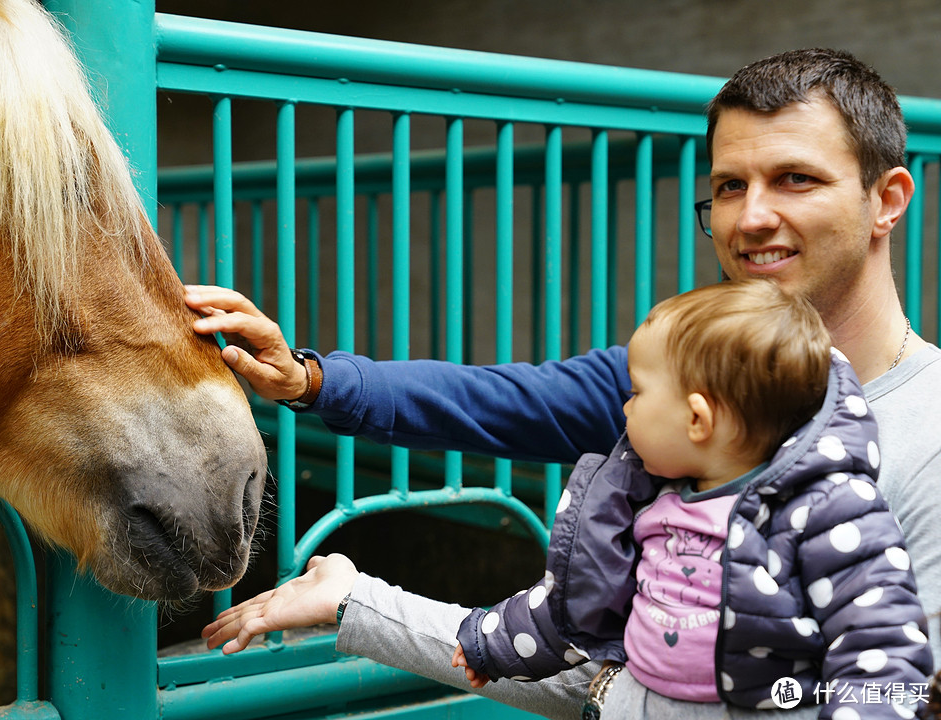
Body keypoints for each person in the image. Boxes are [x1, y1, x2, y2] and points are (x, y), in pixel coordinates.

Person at [193, 48, 941, 719]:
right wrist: (307, 380)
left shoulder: (928, 435)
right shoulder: (679, 389)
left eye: (795, 180)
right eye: (729, 186)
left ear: (888, 198)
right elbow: (509, 406)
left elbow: (894, 692)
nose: (750, 217)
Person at [446, 280, 930, 718]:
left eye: (637, 392)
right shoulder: (648, 493)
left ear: (697, 420)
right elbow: (582, 602)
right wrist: (496, 643)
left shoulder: (824, 508)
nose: (625, 407)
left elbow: (878, 646)